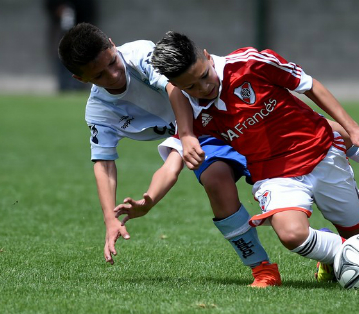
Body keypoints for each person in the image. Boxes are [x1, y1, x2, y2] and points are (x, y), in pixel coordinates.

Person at [149, 31, 359, 283]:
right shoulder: (188, 111)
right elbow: (176, 151)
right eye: (190, 86)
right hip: (273, 175)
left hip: (320, 152)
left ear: (206, 56)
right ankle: (337, 257)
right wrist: (151, 194)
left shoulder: (250, 63)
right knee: (291, 235)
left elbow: (309, 85)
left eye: (204, 75)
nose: (203, 87)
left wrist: (352, 126)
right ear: (174, 87)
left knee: (358, 230)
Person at [57, 23, 281, 288]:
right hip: (198, 134)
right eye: (100, 75)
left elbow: (175, 88)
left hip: (219, 108)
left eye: (112, 62)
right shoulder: (99, 112)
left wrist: (186, 134)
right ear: (81, 79)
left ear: (112, 44)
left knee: (305, 154)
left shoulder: (139, 53)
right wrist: (110, 219)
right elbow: (104, 164)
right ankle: (262, 268)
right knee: (215, 179)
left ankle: (321, 241)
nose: (113, 74)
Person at [45, 0, 99, 91]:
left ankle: (78, 86)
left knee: (81, 59)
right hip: (62, 31)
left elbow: (89, 9)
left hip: (81, 29)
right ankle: (64, 86)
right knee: (62, 59)